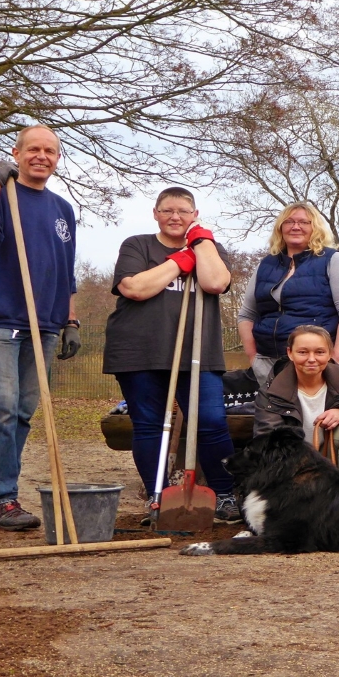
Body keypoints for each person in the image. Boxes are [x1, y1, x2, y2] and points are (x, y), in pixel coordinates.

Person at [0, 124, 81, 530]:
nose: (42, 156)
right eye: (33, 149)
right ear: (17, 152)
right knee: (2, 407)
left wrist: (70, 318)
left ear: (58, 159)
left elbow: (66, 272)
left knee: (24, 411)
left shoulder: (62, 209)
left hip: (44, 323)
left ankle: (1, 494)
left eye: (50, 151)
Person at [101, 186, 241, 525]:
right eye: (167, 210)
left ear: (195, 216)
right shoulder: (137, 245)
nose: (175, 216)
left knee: (209, 421)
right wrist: (179, 262)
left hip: (197, 352)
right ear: (155, 213)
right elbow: (134, 288)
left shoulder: (209, 248)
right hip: (139, 349)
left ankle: (225, 495)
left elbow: (215, 283)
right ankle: (158, 497)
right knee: (149, 425)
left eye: (183, 211)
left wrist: (201, 242)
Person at [237, 202, 339, 383]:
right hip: (267, 364)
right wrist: (253, 358)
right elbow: (246, 314)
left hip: (314, 365)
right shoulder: (265, 265)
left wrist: (336, 361)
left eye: (304, 222)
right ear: (280, 228)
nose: (295, 227)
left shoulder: (333, 260)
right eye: (289, 222)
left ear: (315, 228)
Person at [253, 325, 339, 478]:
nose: (311, 359)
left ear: (329, 354)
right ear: (290, 353)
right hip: (291, 466)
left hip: (333, 458)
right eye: (303, 352)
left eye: (319, 352)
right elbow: (267, 441)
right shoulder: (271, 391)